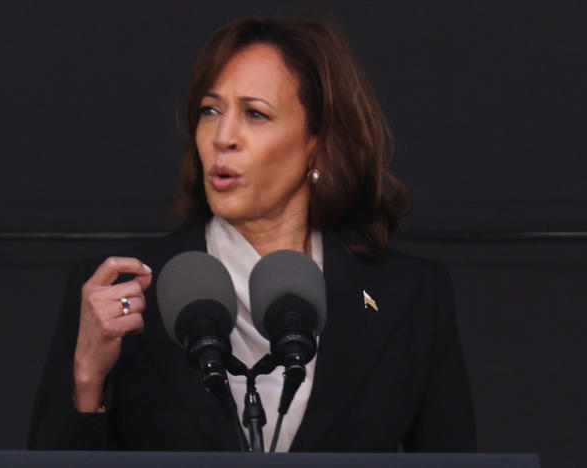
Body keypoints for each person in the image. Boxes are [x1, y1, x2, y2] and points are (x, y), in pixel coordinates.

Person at [28, 16, 476, 452]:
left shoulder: (411, 296)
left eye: (255, 114)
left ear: (317, 144)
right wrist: (88, 377)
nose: (223, 137)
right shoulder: (117, 296)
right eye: (210, 110)